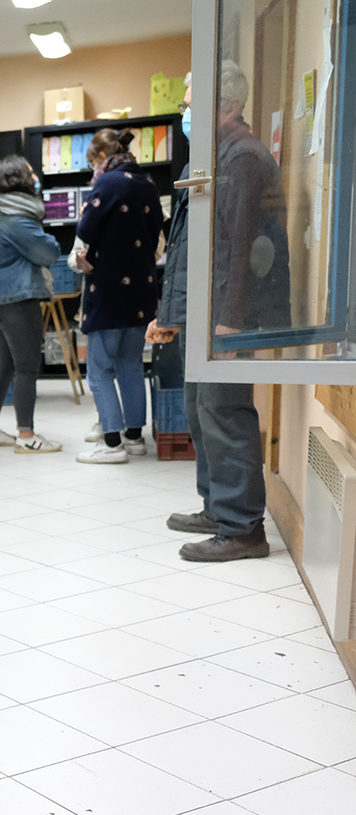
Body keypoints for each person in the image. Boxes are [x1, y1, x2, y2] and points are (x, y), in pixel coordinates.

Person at [146, 64, 279, 562]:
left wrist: (231, 318)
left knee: (225, 413)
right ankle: (216, 508)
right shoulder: (208, 159)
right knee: (202, 412)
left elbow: (243, 248)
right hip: (203, 310)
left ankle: (243, 528)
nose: (184, 111)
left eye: (190, 102)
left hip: (225, 314)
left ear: (228, 104)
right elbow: (186, 249)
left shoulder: (242, 158)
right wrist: (171, 312)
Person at [72, 131, 163, 464]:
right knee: (131, 366)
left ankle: (111, 444)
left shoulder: (107, 185)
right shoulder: (148, 185)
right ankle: (135, 438)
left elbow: (85, 232)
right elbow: (156, 234)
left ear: (98, 155)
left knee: (99, 370)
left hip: (107, 289)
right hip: (141, 289)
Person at [0, 155, 63, 453]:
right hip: (18, 300)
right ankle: (26, 436)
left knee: (5, 367)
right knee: (26, 369)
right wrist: (51, 241)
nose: (34, 175)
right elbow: (48, 253)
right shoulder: (18, 220)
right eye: (29, 171)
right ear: (18, 179)